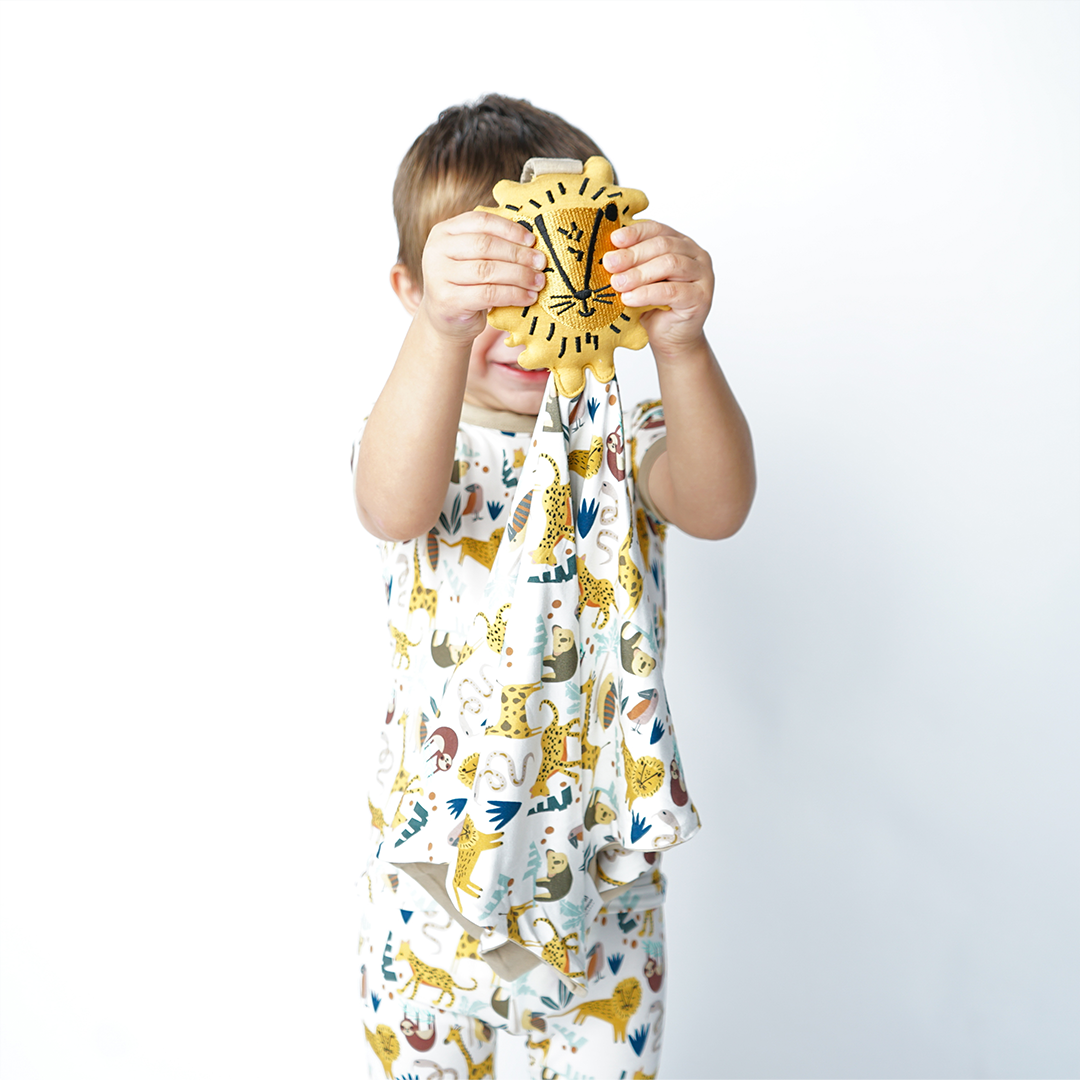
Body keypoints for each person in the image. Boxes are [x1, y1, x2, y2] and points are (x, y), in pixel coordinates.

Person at [351, 95, 754, 1080]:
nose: (525, 316)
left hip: (598, 883)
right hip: (435, 885)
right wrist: (440, 333)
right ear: (412, 288)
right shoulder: (423, 439)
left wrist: (683, 343)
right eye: (491, 281)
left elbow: (717, 505)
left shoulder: (622, 441)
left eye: (556, 273)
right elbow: (392, 508)